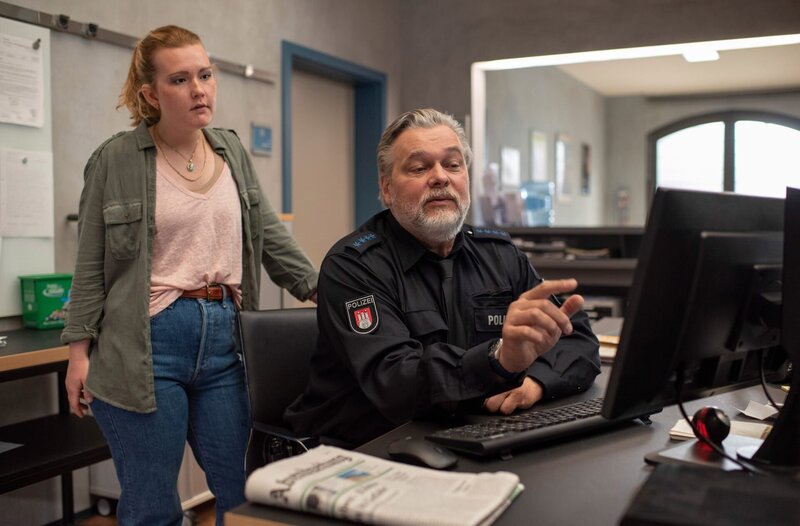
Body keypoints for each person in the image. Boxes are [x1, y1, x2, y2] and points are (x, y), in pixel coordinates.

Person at [61, 26, 318, 526]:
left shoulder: (230, 152)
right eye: (180, 79)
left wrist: (327, 291)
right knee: (154, 504)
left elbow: (271, 238)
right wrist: (77, 353)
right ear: (151, 94)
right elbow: (90, 263)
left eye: (205, 74)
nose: (199, 89)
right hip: (147, 345)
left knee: (243, 493)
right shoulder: (116, 160)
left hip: (227, 341)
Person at [285, 108, 600, 448]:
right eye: (419, 168)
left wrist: (536, 382)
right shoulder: (354, 266)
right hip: (369, 448)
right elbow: (397, 384)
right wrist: (498, 359)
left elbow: (578, 339)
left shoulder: (500, 254)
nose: (440, 178)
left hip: (471, 436)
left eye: (452, 165)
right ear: (387, 187)